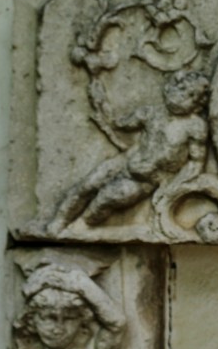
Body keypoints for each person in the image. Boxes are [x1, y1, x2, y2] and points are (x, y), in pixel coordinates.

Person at [48, 69, 209, 234]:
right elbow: (119, 124)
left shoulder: (194, 127)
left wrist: (171, 188)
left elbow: (195, 163)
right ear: (170, 87)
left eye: (191, 96)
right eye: (181, 89)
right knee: (88, 184)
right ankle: (59, 221)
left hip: (148, 179)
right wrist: (101, 102)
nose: (183, 97)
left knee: (109, 197)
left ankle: (81, 225)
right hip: (127, 160)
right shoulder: (151, 113)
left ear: (197, 105)